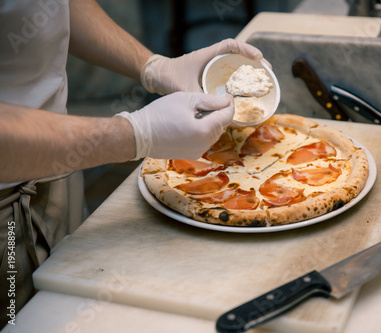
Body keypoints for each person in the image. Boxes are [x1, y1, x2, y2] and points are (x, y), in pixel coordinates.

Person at [0, 0, 267, 327]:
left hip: (58, 173)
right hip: (5, 212)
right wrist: (134, 134)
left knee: (75, 312)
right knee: (23, 322)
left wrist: (153, 66)